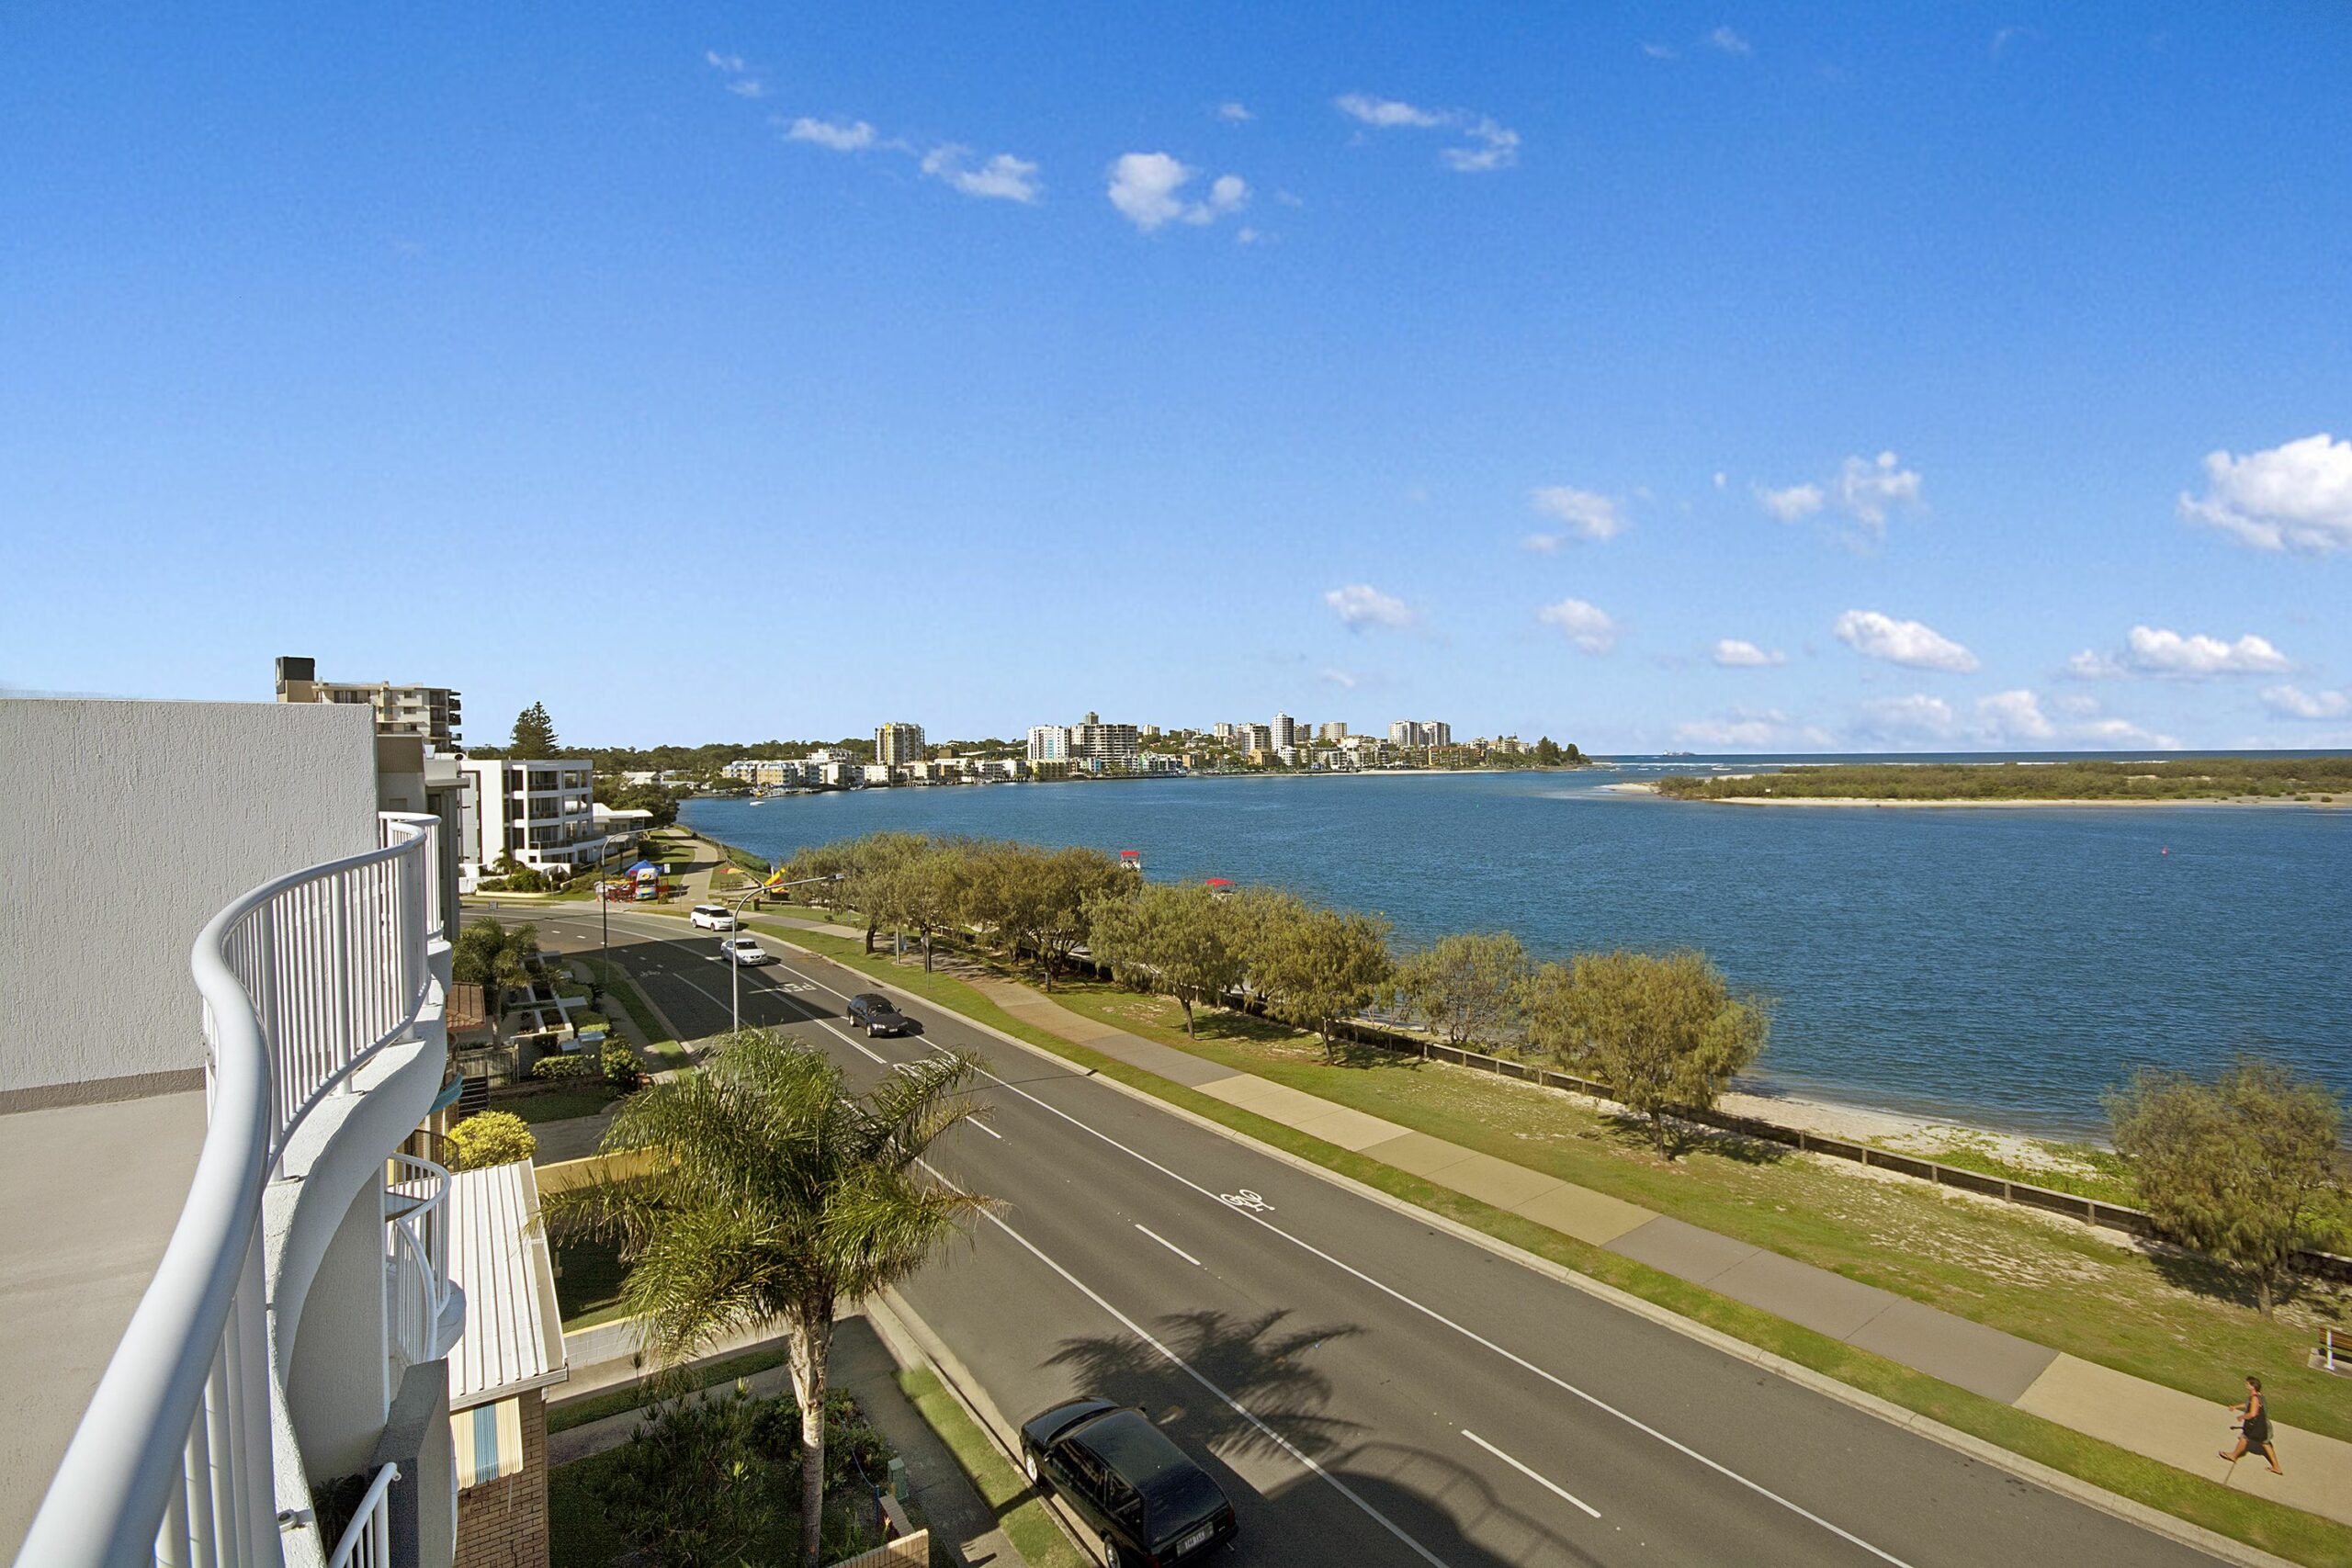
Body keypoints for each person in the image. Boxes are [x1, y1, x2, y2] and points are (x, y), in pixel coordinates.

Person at [2222, 1375, 2283, 1474]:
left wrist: (2242, 1417)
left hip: (2258, 1426)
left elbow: (2253, 1413)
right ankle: (2233, 1455)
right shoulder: (2259, 1395)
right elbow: (2248, 1405)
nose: (2246, 1385)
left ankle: (2276, 1467)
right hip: (2263, 1424)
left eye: (2247, 1384)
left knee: (2254, 1440)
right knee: (2249, 1439)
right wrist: (2235, 1406)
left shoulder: (2254, 1398)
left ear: (2252, 1386)